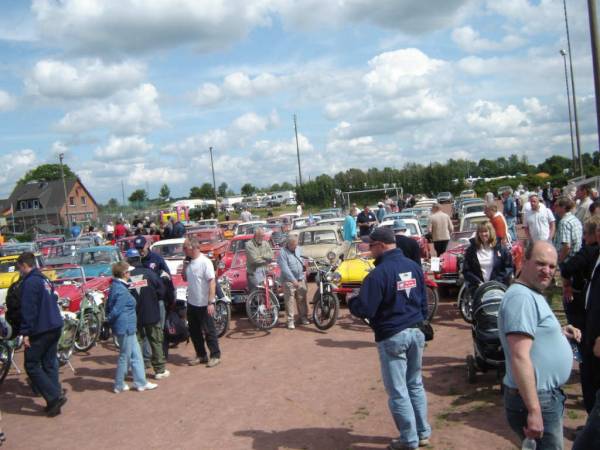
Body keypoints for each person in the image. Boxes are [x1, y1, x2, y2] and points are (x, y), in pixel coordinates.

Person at [348, 227, 431, 449]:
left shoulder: (378, 274)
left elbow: (365, 308)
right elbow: (424, 301)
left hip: (393, 334)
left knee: (398, 391)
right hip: (416, 330)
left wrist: (351, 301)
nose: (368, 249)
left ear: (382, 246)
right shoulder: (413, 266)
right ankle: (422, 432)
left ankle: (409, 439)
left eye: (371, 245)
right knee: (415, 384)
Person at [498, 241, 581, 448]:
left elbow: (531, 332)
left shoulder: (531, 292)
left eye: (552, 267)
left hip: (544, 396)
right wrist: (534, 411)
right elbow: (520, 355)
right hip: (538, 399)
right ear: (524, 262)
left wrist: (558, 333)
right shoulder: (521, 298)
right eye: (541, 264)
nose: (547, 271)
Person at [18, 252, 67, 416]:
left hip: (41, 328)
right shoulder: (44, 279)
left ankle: (54, 396)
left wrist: (25, 332)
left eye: (20, 268)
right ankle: (54, 399)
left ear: (24, 265)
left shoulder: (30, 283)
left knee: (31, 364)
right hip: (54, 324)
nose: (20, 272)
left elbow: (28, 309)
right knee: (49, 362)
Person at [106, 261, 158, 393]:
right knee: (125, 356)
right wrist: (108, 322)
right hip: (125, 327)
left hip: (128, 327)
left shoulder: (117, 286)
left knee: (136, 355)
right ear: (124, 274)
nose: (130, 274)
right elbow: (116, 311)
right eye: (128, 272)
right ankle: (118, 384)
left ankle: (141, 382)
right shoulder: (120, 289)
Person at [126, 249, 169, 379]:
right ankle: (159, 370)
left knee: (137, 343)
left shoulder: (125, 277)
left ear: (128, 260)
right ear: (139, 259)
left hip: (134, 316)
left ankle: (139, 371)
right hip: (151, 313)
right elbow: (161, 291)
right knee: (155, 341)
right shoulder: (150, 273)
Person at [182, 237, 221, 367]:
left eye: (185, 248)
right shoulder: (188, 262)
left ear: (192, 248)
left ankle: (215, 355)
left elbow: (212, 282)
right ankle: (201, 354)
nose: (183, 251)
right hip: (192, 302)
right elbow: (184, 278)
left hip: (204, 303)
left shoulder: (205, 262)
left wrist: (210, 302)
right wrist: (184, 267)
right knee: (194, 331)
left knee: (209, 330)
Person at [560, 217, 599, 337]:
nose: (583, 237)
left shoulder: (589, 251)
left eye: (586, 233)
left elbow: (567, 268)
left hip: (583, 303)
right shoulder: (595, 252)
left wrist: (567, 286)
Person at [462, 222, 513, 295]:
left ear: (491, 232)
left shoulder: (501, 249)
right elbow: (466, 270)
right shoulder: (471, 250)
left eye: (485, 231)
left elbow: (509, 268)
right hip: (478, 289)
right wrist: (478, 282)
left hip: (498, 288)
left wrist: (496, 282)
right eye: (481, 232)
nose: (483, 234)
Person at [277, 235, 309, 329]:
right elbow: (285, 268)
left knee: (302, 299)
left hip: (300, 278)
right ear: (289, 244)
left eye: (296, 245)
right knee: (289, 301)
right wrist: (293, 280)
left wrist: (305, 267)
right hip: (289, 280)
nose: (296, 247)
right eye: (294, 245)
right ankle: (290, 321)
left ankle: (303, 318)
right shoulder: (282, 253)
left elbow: (301, 259)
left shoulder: (298, 249)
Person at [552, 196, 582, 264]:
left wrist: (560, 260)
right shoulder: (574, 219)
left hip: (568, 260)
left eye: (556, 206)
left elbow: (567, 245)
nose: (554, 208)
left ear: (563, 207)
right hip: (576, 257)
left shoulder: (564, 222)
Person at [245, 228, 274, 293]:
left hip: (265, 272)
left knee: (268, 294)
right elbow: (254, 260)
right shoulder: (249, 245)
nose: (263, 238)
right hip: (254, 273)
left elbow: (271, 256)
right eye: (261, 236)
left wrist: (262, 256)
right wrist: (267, 260)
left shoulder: (266, 243)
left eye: (263, 236)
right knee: (256, 295)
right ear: (256, 236)